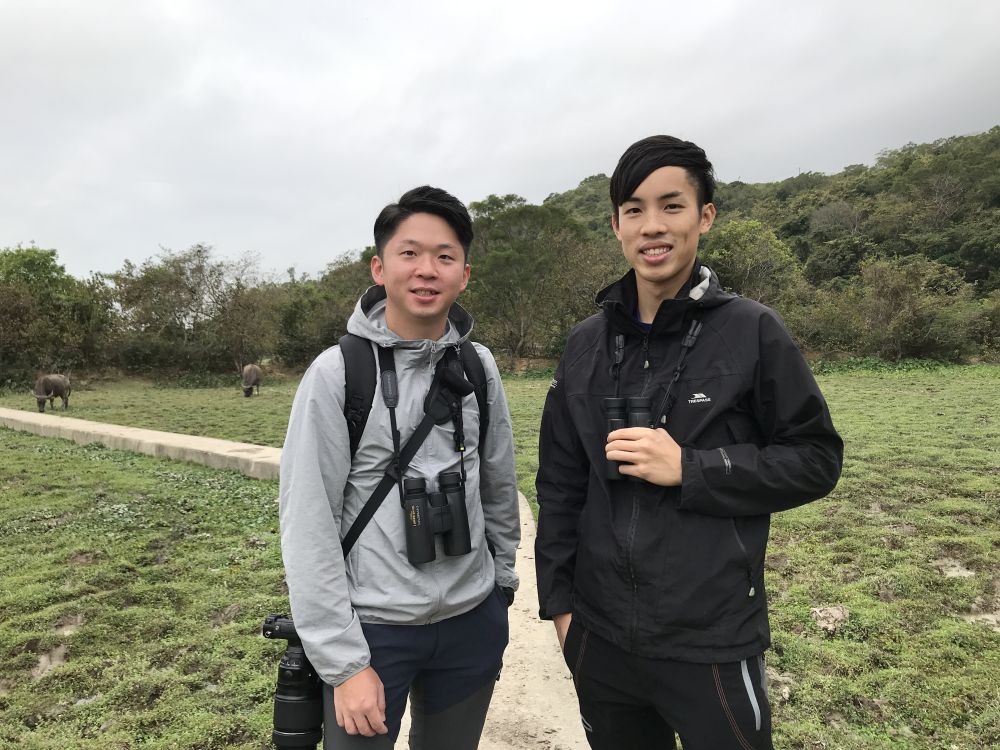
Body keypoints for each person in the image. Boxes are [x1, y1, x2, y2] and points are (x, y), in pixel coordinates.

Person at [534, 135, 843, 750]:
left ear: (705, 216)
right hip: (599, 638)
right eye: (634, 209)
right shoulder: (586, 345)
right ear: (617, 224)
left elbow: (815, 458)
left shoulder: (752, 331)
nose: (653, 226)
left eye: (672, 206)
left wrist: (693, 468)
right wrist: (562, 609)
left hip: (712, 639)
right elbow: (560, 484)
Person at [280, 186, 520, 749]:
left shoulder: (478, 366)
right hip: (372, 635)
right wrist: (343, 662)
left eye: (445, 256)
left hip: (471, 625)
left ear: (464, 274)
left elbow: (499, 485)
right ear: (379, 267)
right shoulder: (338, 373)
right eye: (409, 253)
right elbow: (307, 522)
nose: (426, 270)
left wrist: (500, 587)